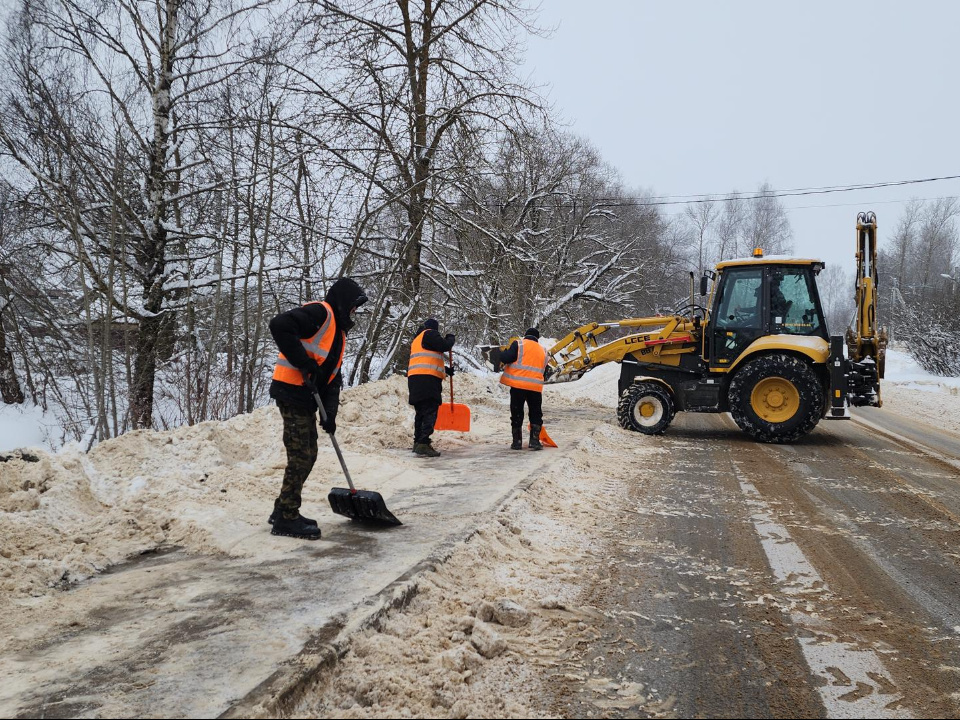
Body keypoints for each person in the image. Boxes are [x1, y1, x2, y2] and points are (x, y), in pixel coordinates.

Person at [267, 277, 368, 539]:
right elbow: (279, 325)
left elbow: (331, 379)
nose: (354, 312)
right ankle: (286, 517)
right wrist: (304, 363)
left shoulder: (339, 333)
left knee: (308, 454)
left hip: (305, 398)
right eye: (353, 306)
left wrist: (329, 415)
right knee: (301, 455)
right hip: (291, 392)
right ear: (344, 302)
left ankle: (282, 509)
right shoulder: (321, 313)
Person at [407, 318, 456, 457]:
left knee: (421, 412)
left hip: (416, 379)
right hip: (427, 380)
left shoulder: (417, 339)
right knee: (430, 410)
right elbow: (444, 345)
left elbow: (426, 360)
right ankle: (423, 443)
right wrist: (450, 338)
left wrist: (445, 369)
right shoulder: (429, 333)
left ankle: (418, 442)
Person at [498, 327, 548, 451]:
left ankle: (517, 442)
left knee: (517, 412)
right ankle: (534, 441)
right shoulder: (544, 351)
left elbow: (506, 358)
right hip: (535, 387)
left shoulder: (519, 344)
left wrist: (503, 352)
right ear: (537, 338)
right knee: (536, 413)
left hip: (518, 386)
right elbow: (545, 371)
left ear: (525, 336)